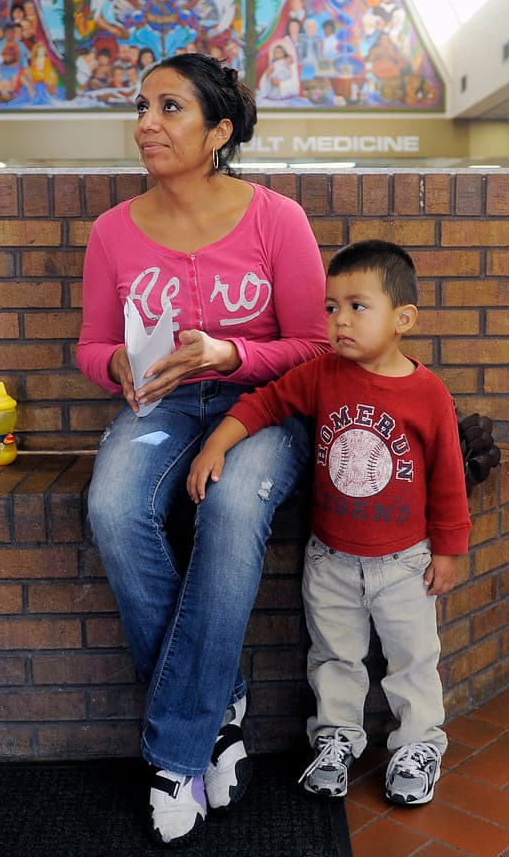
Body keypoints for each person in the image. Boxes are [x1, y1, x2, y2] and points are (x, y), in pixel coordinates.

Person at [76, 52, 329, 847]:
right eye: (143, 107)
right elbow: (87, 343)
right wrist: (109, 363)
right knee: (114, 508)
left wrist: (230, 356)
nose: (147, 123)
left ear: (218, 131)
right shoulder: (112, 231)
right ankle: (220, 708)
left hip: (264, 408)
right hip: (162, 405)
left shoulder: (275, 219)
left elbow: (318, 346)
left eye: (170, 108)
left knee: (226, 504)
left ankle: (175, 752)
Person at [186, 239, 471, 808]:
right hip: (332, 560)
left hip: (404, 564)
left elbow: (447, 479)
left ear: (403, 319)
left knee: (412, 660)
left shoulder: (428, 394)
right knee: (335, 657)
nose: (340, 320)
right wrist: (218, 441)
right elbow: (264, 404)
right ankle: (337, 739)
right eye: (332, 307)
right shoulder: (321, 375)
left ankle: (417, 745)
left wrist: (449, 549)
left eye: (357, 306)